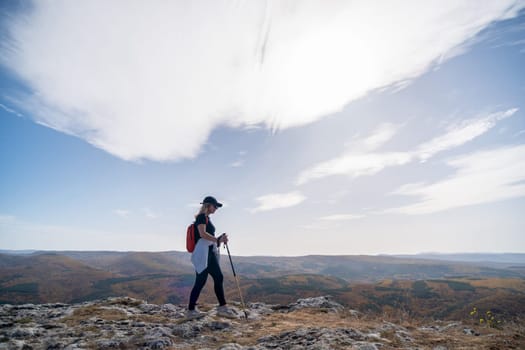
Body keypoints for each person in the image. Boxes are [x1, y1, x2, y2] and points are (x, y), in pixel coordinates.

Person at [187, 196, 235, 319]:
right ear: (208, 205)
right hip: (204, 254)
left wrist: (219, 238)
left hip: (208, 253)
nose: (216, 209)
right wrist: (218, 239)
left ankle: (222, 307)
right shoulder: (202, 217)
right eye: (215, 206)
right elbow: (203, 234)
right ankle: (192, 310)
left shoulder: (206, 218)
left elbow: (207, 236)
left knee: (217, 277)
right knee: (202, 281)